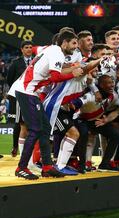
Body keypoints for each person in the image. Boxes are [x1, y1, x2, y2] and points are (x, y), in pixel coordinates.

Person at [10, 30, 83, 179]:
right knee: (36, 129)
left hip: (29, 90)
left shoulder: (51, 49)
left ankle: (48, 167)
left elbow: (57, 70)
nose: (76, 47)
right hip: (26, 90)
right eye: (74, 43)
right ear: (64, 43)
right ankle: (21, 167)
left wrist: (72, 68)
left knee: (45, 128)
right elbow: (56, 76)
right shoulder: (57, 52)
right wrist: (73, 73)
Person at [6, 40, 34, 157]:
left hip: (33, 96)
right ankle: (15, 146)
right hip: (19, 96)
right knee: (19, 122)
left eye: (30, 47)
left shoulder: (36, 62)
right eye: (26, 47)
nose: (29, 49)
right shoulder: (16, 63)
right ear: (22, 49)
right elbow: (9, 79)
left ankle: (30, 151)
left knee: (31, 123)